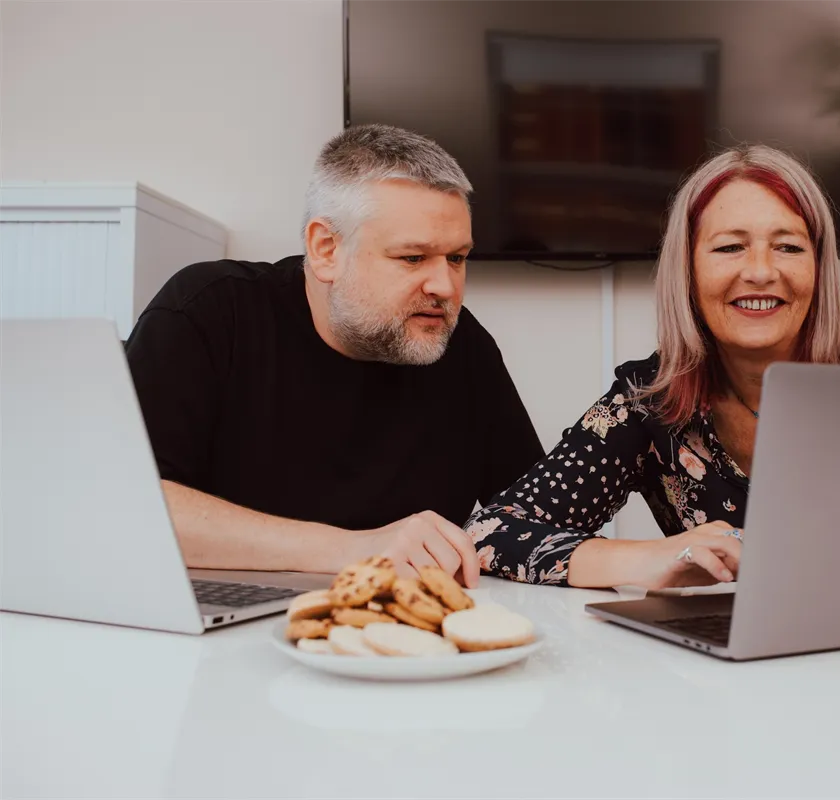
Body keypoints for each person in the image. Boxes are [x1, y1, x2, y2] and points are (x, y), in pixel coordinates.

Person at [465, 144, 840, 617]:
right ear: (687, 269)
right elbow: (494, 533)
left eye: (788, 247)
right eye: (730, 248)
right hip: (734, 681)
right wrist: (645, 559)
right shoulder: (647, 399)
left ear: (818, 266)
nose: (760, 273)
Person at [125, 124, 543, 585]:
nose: (445, 287)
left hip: (403, 635)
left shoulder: (465, 347)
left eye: (457, 258)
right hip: (222, 622)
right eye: (412, 258)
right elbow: (126, 504)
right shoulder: (210, 311)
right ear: (326, 249)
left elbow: (531, 518)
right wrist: (352, 548)